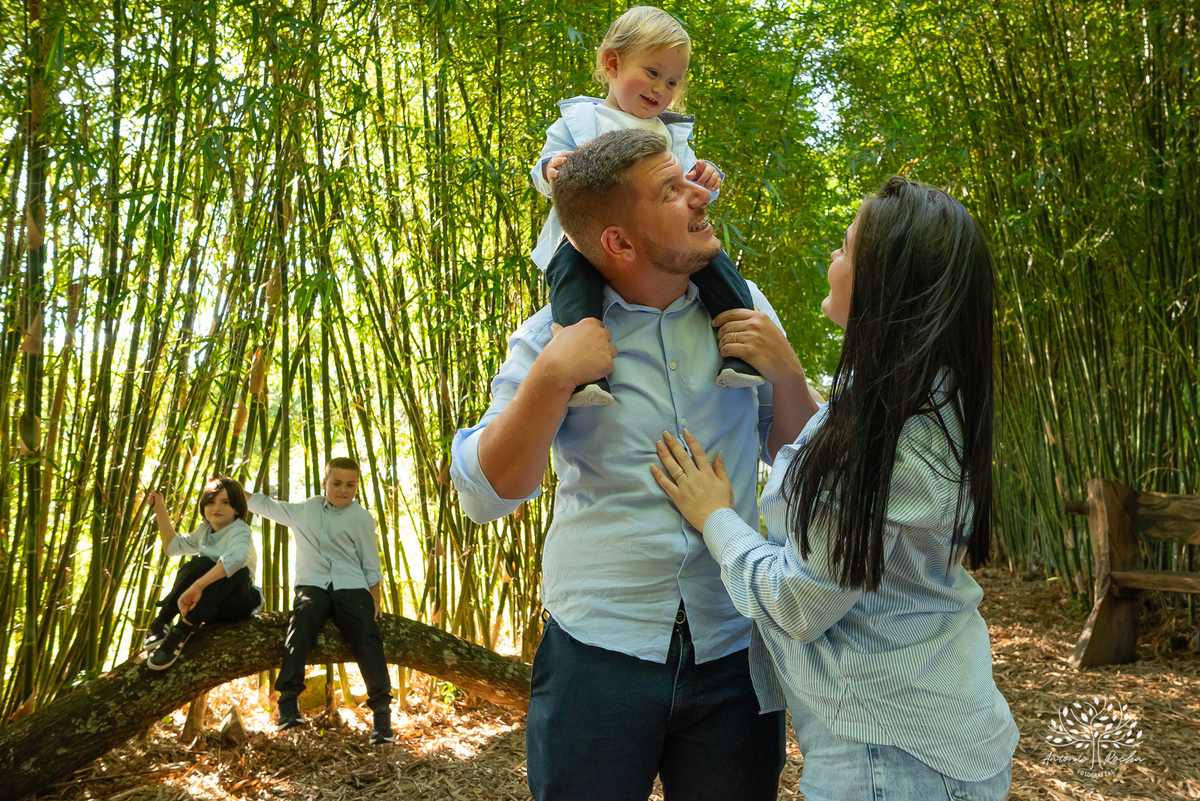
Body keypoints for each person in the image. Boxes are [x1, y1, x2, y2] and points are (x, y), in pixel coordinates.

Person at [452, 128, 813, 801]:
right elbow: (483, 494)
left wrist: (787, 372)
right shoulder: (550, 336)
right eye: (671, 192)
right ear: (617, 241)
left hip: (733, 647)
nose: (698, 198)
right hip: (597, 653)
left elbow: (799, 459)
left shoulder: (743, 309)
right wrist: (550, 379)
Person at [653, 177, 1019, 800]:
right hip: (925, 733)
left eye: (846, 250)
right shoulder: (920, 397)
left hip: (895, 759)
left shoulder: (897, 434)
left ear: (883, 286)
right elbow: (847, 494)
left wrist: (716, 517)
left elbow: (800, 601)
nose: (832, 259)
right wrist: (790, 373)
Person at [530, 5, 761, 407]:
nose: (661, 89)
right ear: (613, 62)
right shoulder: (581, 120)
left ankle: (741, 350)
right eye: (652, 73)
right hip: (591, 232)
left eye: (672, 81)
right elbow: (544, 169)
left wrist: (706, 176)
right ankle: (585, 373)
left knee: (715, 261)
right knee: (570, 275)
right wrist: (551, 168)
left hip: (660, 241)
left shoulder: (669, 131)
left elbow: (688, 186)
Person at [247, 457, 393, 745]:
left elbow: (371, 564)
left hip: (351, 584)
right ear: (325, 483)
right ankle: (288, 703)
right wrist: (231, 489)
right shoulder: (306, 510)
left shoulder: (362, 518)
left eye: (350, 485)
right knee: (301, 623)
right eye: (336, 483)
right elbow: (266, 506)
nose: (343, 490)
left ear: (356, 486)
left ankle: (382, 717)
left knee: (366, 634)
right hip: (312, 585)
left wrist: (374, 600)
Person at [143, 476, 263, 671]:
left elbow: (238, 558)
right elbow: (173, 547)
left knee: (235, 572)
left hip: (237, 605)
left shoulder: (241, 531)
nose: (217, 507)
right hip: (209, 607)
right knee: (196, 565)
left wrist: (197, 586)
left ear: (238, 508)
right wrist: (160, 509)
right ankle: (163, 619)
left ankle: (180, 632)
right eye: (211, 501)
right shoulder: (205, 531)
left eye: (226, 502)